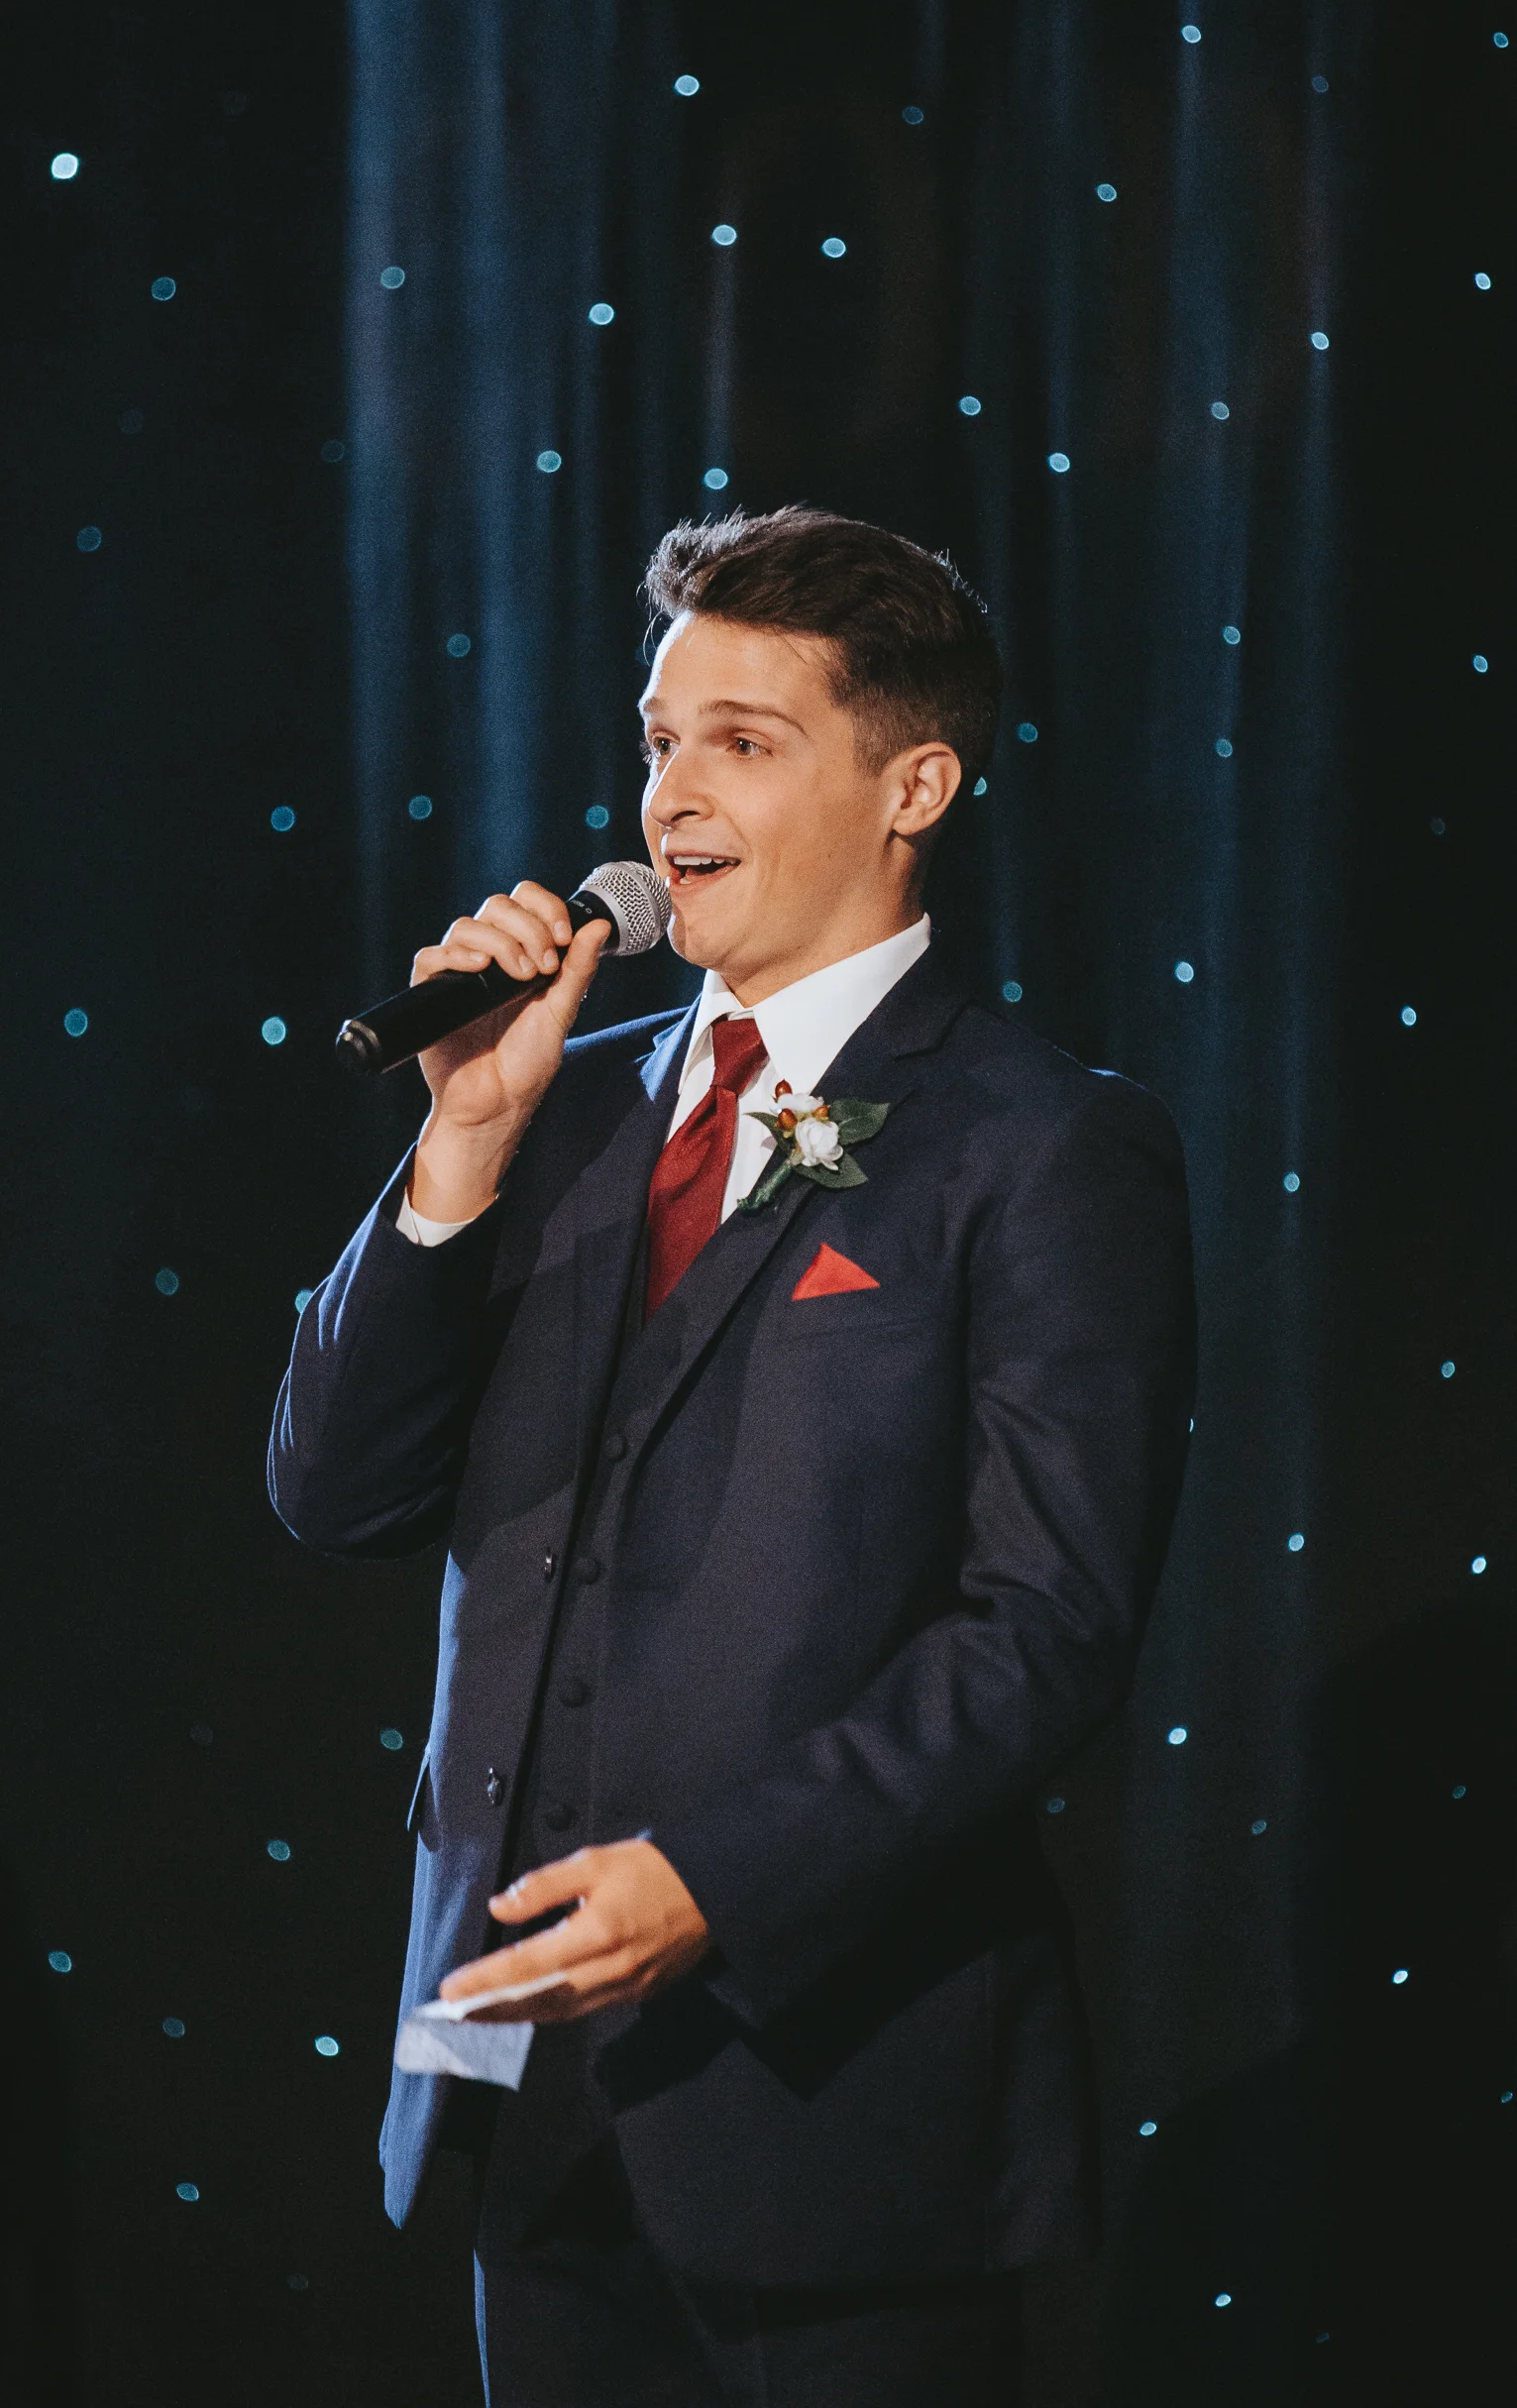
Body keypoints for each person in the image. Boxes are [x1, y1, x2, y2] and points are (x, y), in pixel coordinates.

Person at [269, 506, 1196, 2405]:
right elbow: (334, 1492)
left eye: (742, 742)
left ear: (912, 785)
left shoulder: (1039, 1142)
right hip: (518, 2066)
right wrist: (459, 1148)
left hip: (833, 2091)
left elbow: (1045, 1628)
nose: (670, 795)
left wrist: (712, 1877)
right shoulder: (554, 1105)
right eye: (658, 740)